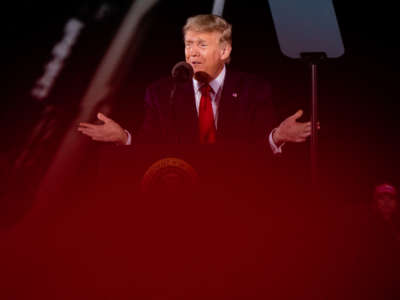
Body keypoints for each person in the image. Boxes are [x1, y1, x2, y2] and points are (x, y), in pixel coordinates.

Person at [78, 14, 313, 151]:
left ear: (224, 50)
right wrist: (124, 138)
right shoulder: (160, 93)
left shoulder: (255, 89)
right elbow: (150, 150)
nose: (192, 54)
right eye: (188, 45)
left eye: (201, 45)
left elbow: (257, 150)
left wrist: (277, 136)